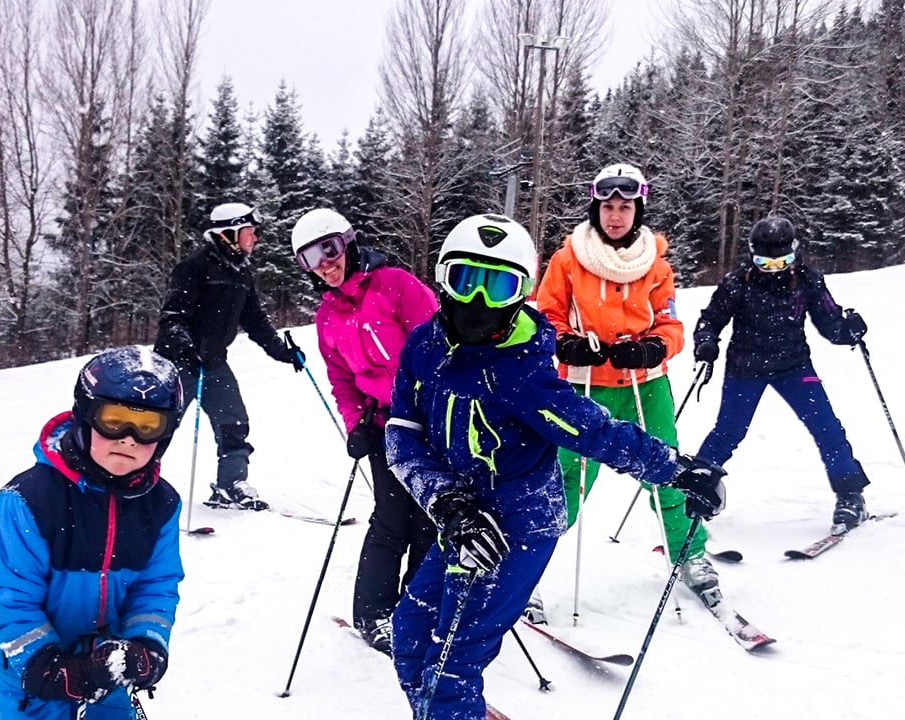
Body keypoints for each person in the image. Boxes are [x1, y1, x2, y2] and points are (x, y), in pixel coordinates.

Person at [385, 214, 726, 720]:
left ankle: (447, 708)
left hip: (517, 526)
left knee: (453, 664)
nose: (478, 302)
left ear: (520, 292)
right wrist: (446, 500)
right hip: (461, 522)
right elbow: (402, 435)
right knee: (410, 633)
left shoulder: (522, 371)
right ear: (442, 278)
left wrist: (676, 470)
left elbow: (596, 432)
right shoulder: (424, 347)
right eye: (466, 280)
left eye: (497, 286)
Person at [534, 162, 714, 611]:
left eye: (625, 207)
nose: (616, 216)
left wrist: (654, 348)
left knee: (668, 472)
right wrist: (568, 346)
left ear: (639, 210)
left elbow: (671, 322)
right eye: (608, 206)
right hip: (583, 386)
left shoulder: (655, 263)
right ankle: (525, 569)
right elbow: (545, 317)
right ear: (596, 210)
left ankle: (690, 555)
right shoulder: (568, 258)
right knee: (565, 482)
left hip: (645, 385)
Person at [0, 345, 185, 720]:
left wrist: (146, 645)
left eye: (147, 426)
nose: (128, 438)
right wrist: (49, 666)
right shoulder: (28, 499)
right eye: (114, 419)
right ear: (86, 416)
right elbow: (11, 597)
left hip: (111, 670)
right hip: (32, 678)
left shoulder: (162, 505)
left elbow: (156, 586)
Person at [289, 208, 438, 655]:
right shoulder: (327, 316)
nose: (324, 266)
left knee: (429, 519)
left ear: (348, 243)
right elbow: (343, 380)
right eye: (309, 260)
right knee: (391, 518)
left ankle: (419, 610)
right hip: (383, 425)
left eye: (328, 251)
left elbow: (438, 346)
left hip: (430, 419)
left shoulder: (395, 285)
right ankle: (374, 615)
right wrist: (357, 425)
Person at [692, 216, 872, 535]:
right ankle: (695, 492)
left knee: (826, 427)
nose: (774, 268)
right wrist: (706, 344)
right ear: (752, 254)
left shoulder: (808, 280)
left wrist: (848, 331)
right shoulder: (738, 281)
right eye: (765, 260)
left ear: (794, 253)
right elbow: (711, 319)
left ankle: (850, 495)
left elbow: (830, 323)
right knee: (728, 431)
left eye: (782, 260)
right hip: (745, 368)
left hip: (793, 366)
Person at [154, 202, 305, 511]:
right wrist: (186, 348)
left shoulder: (241, 274)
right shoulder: (193, 268)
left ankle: (230, 484)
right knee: (158, 425)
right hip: (177, 364)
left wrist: (283, 353)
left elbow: (256, 321)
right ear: (230, 234)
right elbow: (172, 318)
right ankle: (136, 481)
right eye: (250, 232)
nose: (255, 239)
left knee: (234, 422)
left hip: (213, 363)